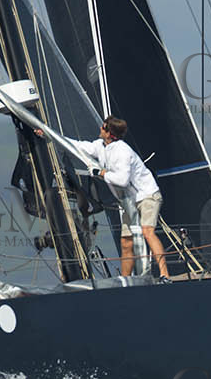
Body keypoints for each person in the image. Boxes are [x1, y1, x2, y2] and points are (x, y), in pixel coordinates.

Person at [60, 116, 170, 280]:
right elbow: (80, 146)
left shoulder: (122, 151)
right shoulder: (101, 145)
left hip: (147, 195)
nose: (100, 129)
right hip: (130, 202)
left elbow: (122, 180)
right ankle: (125, 280)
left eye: (103, 127)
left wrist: (103, 173)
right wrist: (49, 134)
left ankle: (164, 274)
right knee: (126, 241)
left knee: (147, 232)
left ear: (109, 133)